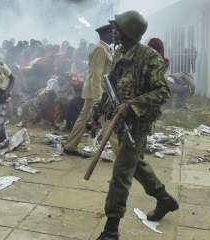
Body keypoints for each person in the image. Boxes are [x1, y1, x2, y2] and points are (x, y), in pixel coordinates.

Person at [96, 11, 178, 240]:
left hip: (138, 124)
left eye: (117, 27)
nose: (113, 30)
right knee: (136, 164)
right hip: (121, 122)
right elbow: (111, 86)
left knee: (121, 173)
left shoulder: (149, 57)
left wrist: (132, 105)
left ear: (128, 31)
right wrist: (96, 112)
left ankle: (111, 229)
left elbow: (163, 91)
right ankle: (164, 199)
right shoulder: (121, 53)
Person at [63, 24, 113, 157]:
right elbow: (96, 74)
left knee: (84, 119)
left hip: (95, 90)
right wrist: (99, 95)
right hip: (96, 91)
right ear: (106, 34)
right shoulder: (100, 50)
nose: (114, 35)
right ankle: (120, 153)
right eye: (112, 32)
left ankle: (70, 146)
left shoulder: (104, 49)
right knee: (107, 121)